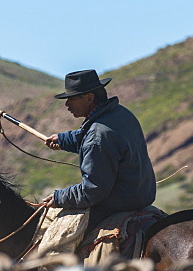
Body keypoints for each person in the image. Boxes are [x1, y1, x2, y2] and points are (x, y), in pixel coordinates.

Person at [40, 69, 157, 230]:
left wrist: (59, 197)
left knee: (54, 241)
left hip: (117, 204)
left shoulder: (97, 135)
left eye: (72, 99)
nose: (67, 105)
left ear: (89, 98)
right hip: (141, 195)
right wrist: (63, 140)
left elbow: (93, 190)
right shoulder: (120, 114)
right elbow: (91, 138)